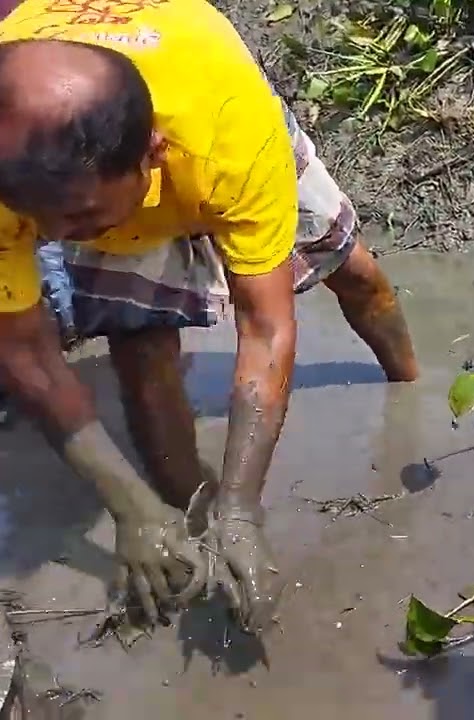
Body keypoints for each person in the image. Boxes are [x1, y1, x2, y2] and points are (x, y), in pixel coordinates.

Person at [0, 0, 420, 635]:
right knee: (141, 347)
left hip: (210, 122)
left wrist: (243, 509)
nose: (55, 237)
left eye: (78, 219)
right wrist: (130, 508)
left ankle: (410, 388)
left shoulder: (231, 138)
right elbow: (24, 353)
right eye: (41, 221)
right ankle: (185, 522)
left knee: (353, 271)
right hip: (84, 170)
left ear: (153, 154)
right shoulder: (20, 179)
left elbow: (266, 328)